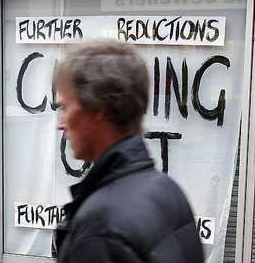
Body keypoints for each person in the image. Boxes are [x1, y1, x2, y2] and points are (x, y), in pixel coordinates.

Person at [53, 40, 204, 263]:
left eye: (65, 108)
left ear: (96, 110)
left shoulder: (100, 229)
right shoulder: (167, 190)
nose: (60, 123)